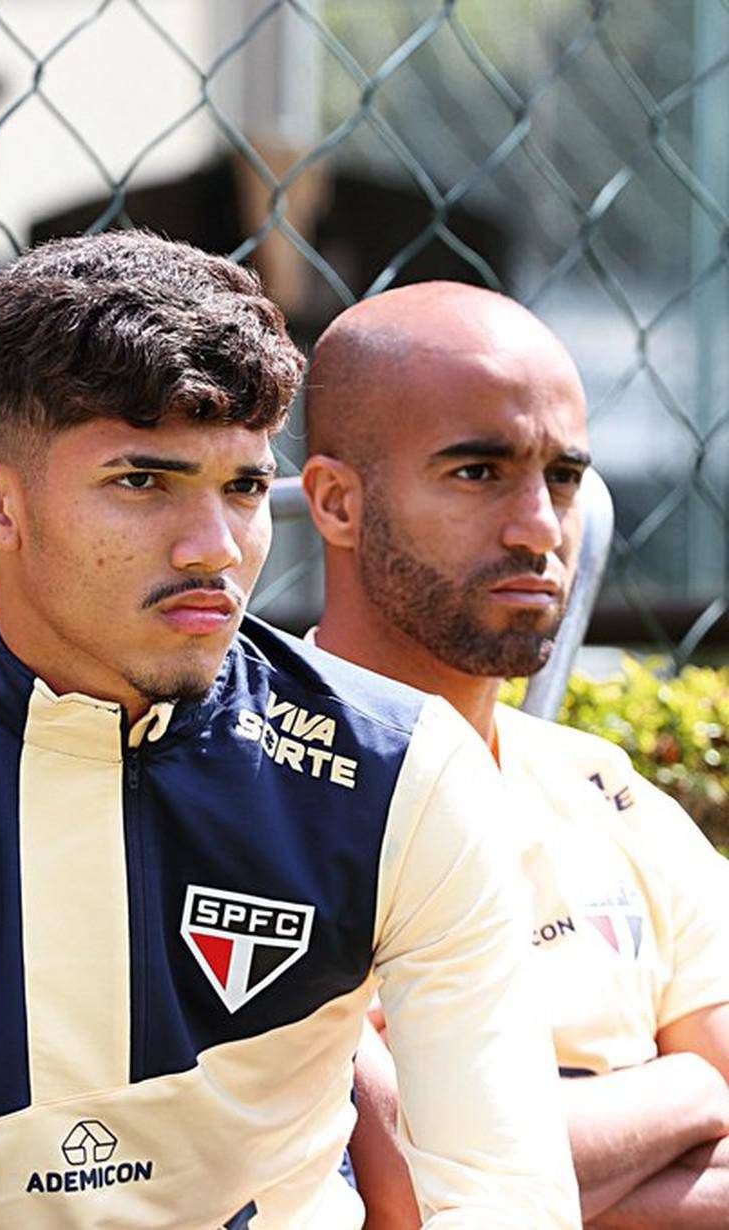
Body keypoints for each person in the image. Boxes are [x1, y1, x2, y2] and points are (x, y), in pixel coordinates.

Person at [0, 233, 579, 1228]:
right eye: (144, 483)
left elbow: (506, 1199)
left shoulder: (405, 773)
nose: (214, 549)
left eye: (240, 486)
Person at [301, 280, 729, 1229]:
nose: (539, 525)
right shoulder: (262, 792)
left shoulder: (603, 790)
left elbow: (457, 1186)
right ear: (335, 502)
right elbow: (402, 1193)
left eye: (565, 477)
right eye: (478, 472)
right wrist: (690, 1090)